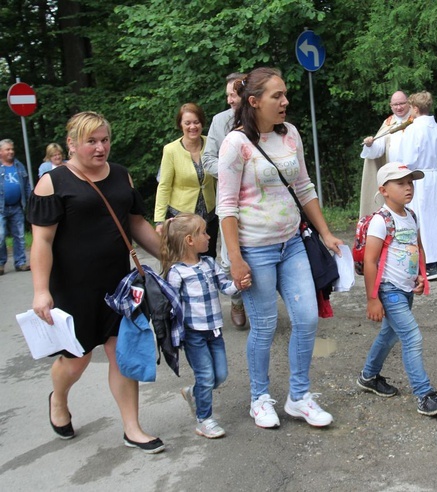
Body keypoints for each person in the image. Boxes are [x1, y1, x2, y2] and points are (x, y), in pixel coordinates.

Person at [27, 111, 165, 453]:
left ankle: (132, 428)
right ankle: (58, 398)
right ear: (72, 143)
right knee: (76, 360)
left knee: (122, 352)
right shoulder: (53, 182)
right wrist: (41, 291)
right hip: (72, 288)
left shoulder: (120, 176)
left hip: (118, 284)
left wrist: (170, 257)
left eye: (104, 140)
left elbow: (136, 223)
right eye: (91, 141)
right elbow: (41, 243)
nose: (100, 147)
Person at [217, 67, 343, 429]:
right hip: (255, 249)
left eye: (285, 94)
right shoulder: (235, 144)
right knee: (265, 326)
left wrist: (326, 233)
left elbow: (304, 187)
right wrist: (236, 259)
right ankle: (259, 398)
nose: (285, 101)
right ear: (254, 102)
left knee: (306, 319)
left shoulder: (291, 136)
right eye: (277, 96)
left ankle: (299, 397)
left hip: (292, 244)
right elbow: (226, 206)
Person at [356, 161, 437, 416]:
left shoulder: (410, 216)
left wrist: (422, 276)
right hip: (388, 290)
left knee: (389, 335)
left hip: (406, 289)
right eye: (400, 183)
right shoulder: (381, 220)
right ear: (384, 190)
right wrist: (372, 299)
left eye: (410, 182)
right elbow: (370, 260)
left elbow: (417, 247)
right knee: (411, 337)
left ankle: (368, 376)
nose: (408, 187)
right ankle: (425, 395)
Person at [160, 213, 250, 439]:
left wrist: (238, 285)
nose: (209, 236)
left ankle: (195, 393)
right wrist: (174, 336)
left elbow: (225, 286)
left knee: (219, 375)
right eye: (203, 232)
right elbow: (173, 306)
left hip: (215, 330)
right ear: (190, 240)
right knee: (206, 376)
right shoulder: (177, 272)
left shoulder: (210, 263)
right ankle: (204, 420)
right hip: (193, 335)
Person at [360, 91, 437, 239]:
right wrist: (370, 145)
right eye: (395, 104)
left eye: (402, 103)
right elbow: (378, 150)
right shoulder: (389, 124)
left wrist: (408, 170)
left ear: (410, 105)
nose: (399, 107)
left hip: (414, 174)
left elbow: (435, 156)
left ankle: (427, 245)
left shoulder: (417, 124)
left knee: (423, 213)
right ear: (390, 106)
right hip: (396, 175)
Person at [204, 72, 248, 328]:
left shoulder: (265, 120)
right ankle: (237, 299)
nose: (230, 100)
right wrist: (232, 168)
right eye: (228, 95)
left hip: (262, 200)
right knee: (231, 253)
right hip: (230, 199)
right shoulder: (219, 122)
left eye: (233, 94)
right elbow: (208, 159)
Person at [394, 91, 437, 280]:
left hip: (418, 176)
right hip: (434, 176)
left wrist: (404, 175)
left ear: (415, 108)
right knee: (436, 219)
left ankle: (426, 263)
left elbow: (409, 158)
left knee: (421, 220)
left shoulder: (413, 129)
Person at [154, 103, 218, 257]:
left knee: (208, 258)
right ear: (180, 125)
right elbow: (164, 186)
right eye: (187, 123)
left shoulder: (212, 143)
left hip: (209, 215)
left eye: (196, 122)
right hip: (182, 218)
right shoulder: (171, 150)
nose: (192, 127)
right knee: (183, 260)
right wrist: (159, 220)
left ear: (202, 122)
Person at [0, 138, 32, 274]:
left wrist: (30, 201)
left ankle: (20, 262)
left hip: (16, 206)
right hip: (1, 207)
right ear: (0, 151)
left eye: (12, 149)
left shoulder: (19, 166)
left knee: (19, 235)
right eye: (8, 149)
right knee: (0, 235)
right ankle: (1, 264)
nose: (11, 152)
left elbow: (26, 185)